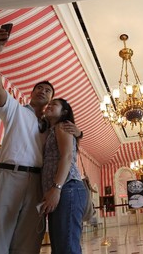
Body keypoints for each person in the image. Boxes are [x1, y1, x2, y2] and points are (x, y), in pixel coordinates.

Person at [0, 28, 82, 254]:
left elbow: (66, 153)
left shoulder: (53, 128)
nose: (43, 91)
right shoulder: (15, 111)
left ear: (52, 100)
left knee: (29, 240)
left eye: (48, 90)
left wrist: (78, 133)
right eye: (38, 88)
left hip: (39, 184)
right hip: (9, 176)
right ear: (31, 94)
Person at [40, 98, 86, 254]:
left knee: (66, 247)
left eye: (55, 104)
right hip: (62, 189)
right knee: (61, 246)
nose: (49, 105)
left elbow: (66, 156)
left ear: (64, 112)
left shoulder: (62, 126)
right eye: (49, 103)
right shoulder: (51, 130)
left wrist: (56, 188)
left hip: (67, 188)